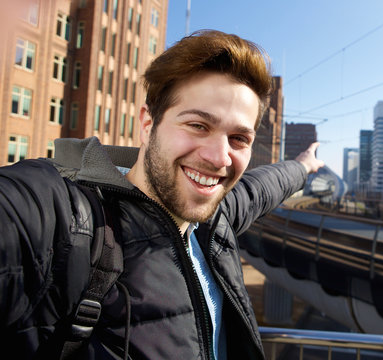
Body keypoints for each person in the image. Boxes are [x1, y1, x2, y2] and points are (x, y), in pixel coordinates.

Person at [0, 30, 324, 359]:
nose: (219, 158)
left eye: (239, 138)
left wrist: (303, 166)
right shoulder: (64, 216)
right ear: (147, 122)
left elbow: (261, 188)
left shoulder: (214, 220)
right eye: (198, 125)